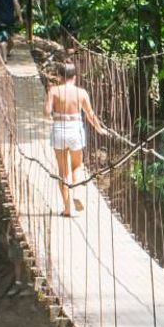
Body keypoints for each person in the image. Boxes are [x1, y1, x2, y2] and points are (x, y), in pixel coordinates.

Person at [45, 59, 106, 217]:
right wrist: (99, 130)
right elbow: (90, 114)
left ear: (59, 76)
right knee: (77, 166)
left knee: (63, 172)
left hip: (59, 130)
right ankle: (77, 191)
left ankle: (67, 209)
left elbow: (46, 111)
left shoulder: (54, 90)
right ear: (75, 77)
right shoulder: (81, 93)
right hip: (75, 130)